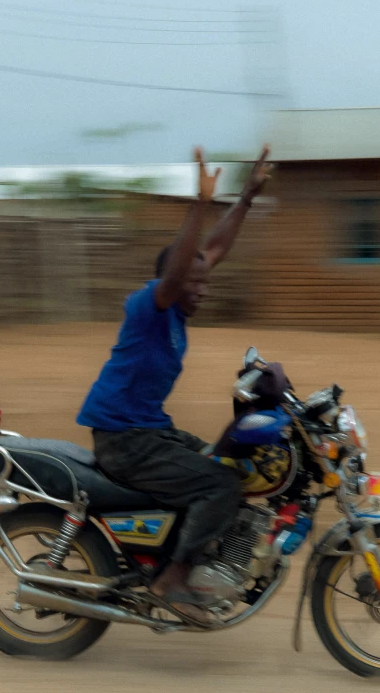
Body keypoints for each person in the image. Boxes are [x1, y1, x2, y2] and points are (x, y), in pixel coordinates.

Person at [76, 145, 273, 620]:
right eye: (195, 283)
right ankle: (170, 580)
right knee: (219, 486)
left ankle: (192, 560)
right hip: (125, 439)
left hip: (149, 430)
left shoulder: (177, 308)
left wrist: (245, 196)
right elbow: (184, 265)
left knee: (228, 464)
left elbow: (213, 251)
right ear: (172, 280)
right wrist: (200, 204)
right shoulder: (150, 307)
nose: (203, 290)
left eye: (206, 283)